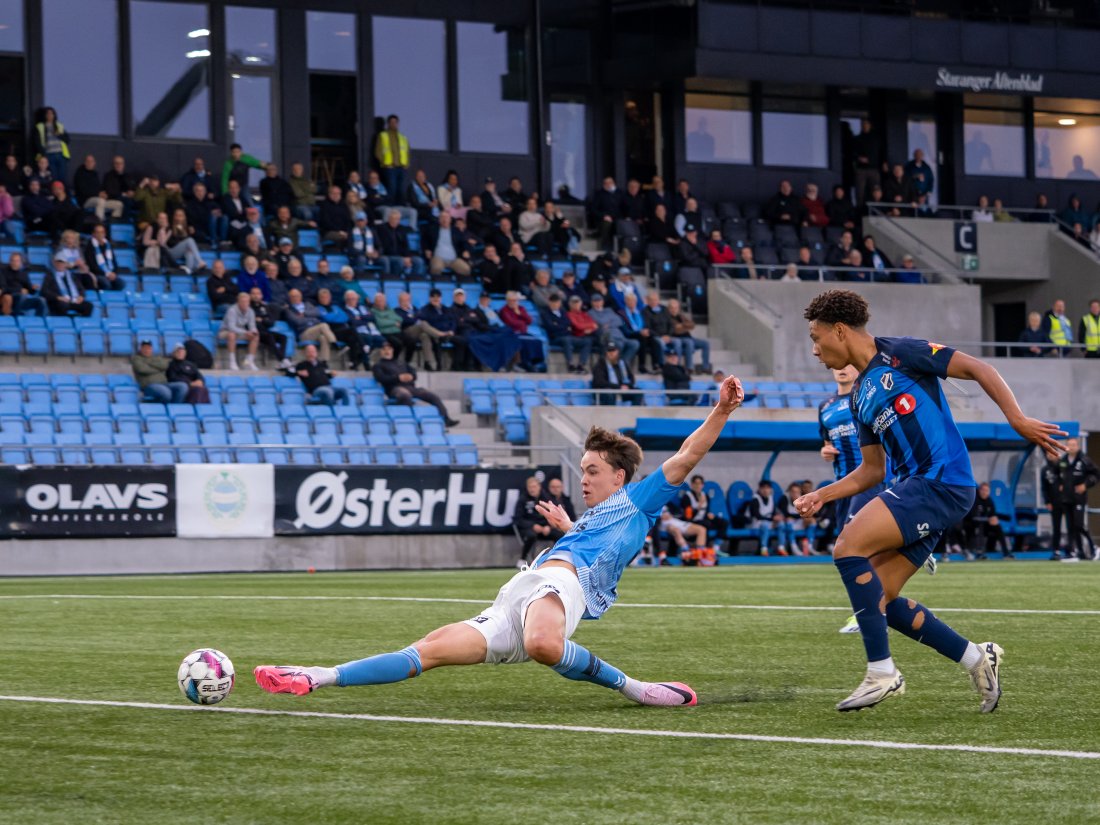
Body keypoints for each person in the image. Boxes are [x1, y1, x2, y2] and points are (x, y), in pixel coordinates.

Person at [254, 378, 745, 706]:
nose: (583, 479)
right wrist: (569, 529)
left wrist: (721, 409)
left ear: (620, 476)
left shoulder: (639, 500)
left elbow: (687, 453)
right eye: (581, 471)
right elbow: (592, 543)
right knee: (427, 650)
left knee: (543, 644)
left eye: (592, 471)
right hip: (521, 591)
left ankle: (639, 690)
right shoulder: (596, 517)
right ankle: (318, 675)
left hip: (560, 588)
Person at [794, 289, 1064, 712]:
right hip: (914, 491)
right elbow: (871, 471)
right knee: (880, 601)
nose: (814, 350)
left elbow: (978, 367)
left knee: (847, 546)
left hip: (940, 483)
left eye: (816, 337)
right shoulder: (858, 396)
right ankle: (977, 658)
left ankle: (882, 673)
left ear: (840, 331)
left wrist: (1016, 419)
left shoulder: (902, 353)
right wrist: (820, 495)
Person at [371, 340, 459, 425]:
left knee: (432, 396)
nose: (387, 351)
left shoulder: (400, 362)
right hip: (394, 388)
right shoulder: (378, 365)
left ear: (392, 350)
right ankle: (413, 421)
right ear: (380, 351)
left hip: (410, 387)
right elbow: (381, 378)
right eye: (384, 349)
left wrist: (411, 376)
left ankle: (446, 419)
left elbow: (413, 373)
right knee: (405, 395)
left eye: (389, 349)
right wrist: (398, 378)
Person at [1042, 438, 1098, 561]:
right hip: (1066, 499)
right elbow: (1056, 472)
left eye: (1073, 445)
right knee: (1070, 527)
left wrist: (1085, 485)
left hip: (1078, 498)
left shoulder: (1084, 460)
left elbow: (1096, 475)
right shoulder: (1063, 461)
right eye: (1069, 445)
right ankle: (1076, 552)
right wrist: (1061, 483)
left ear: (1078, 446)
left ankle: (1094, 548)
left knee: (1079, 524)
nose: (1071, 447)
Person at [513, 476, 556, 564]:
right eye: (530, 487)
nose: (532, 489)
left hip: (545, 528)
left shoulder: (546, 498)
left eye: (534, 487)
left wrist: (548, 526)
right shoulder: (522, 500)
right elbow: (518, 519)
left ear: (539, 487)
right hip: (529, 529)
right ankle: (523, 559)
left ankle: (558, 559)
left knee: (561, 535)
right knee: (531, 536)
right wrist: (532, 526)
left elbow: (553, 514)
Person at [963, 482, 1011, 560]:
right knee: (980, 526)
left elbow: (992, 514)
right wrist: (988, 519)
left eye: (987, 490)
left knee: (997, 526)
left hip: (985, 524)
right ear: (979, 490)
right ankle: (979, 552)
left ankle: (1006, 552)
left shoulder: (989, 501)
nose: (985, 492)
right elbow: (973, 517)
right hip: (972, 524)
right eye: (983, 490)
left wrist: (994, 519)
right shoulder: (974, 499)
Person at [680, 475, 728, 553]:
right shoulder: (687, 497)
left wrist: (709, 515)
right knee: (706, 524)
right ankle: (704, 548)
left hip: (704, 520)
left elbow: (706, 511)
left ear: (703, 485)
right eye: (695, 483)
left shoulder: (705, 496)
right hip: (692, 522)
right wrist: (698, 506)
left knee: (724, 522)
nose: (697, 486)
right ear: (692, 484)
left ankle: (716, 547)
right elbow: (688, 517)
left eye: (700, 484)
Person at [132, 339, 188, 404]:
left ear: (152, 349)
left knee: (183, 386)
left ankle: (174, 408)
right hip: (149, 386)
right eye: (145, 348)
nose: (147, 350)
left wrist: (149, 363)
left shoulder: (156, 357)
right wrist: (159, 369)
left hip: (165, 384)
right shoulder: (137, 359)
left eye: (149, 348)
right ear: (141, 348)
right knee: (166, 393)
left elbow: (165, 365)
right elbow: (143, 369)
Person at [250, 287, 292, 369]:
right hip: (254, 333)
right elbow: (251, 322)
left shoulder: (265, 307)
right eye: (253, 293)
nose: (256, 296)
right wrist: (263, 320)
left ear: (261, 295)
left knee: (283, 337)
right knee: (269, 336)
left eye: (258, 294)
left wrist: (261, 320)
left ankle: (282, 360)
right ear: (250, 295)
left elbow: (271, 322)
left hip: (265, 331)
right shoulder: (249, 307)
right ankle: (282, 359)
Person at [73, 154, 123, 222]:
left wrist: (103, 193)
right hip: (85, 201)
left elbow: (98, 188)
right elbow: (84, 191)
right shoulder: (80, 174)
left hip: (97, 198)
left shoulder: (95, 173)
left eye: (92, 161)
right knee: (100, 201)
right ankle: (99, 224)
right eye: (88, 161)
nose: (90, 163)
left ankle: (112, 224)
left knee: (118, 204)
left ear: (94, 163)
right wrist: (98, 194)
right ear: (85, 163)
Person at [219, 291, 260, 370]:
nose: (245, 304)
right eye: (243, 302)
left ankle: (249, 361)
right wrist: (246, 332)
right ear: (238, 302)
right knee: (232, 334)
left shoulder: (251, 311)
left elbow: (252, 325)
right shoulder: (232, 310)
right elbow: (231, 327)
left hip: (240, 331)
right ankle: (232, 362)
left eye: (246, 302)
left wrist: (254, 331)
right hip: (225, 331)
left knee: (255, 336)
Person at [374, 115, 410, 205]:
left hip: (401, 167)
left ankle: (400, 208)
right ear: (388, 123)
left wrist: (406, 164)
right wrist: (385, 163)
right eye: (392, 122)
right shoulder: (383, 135)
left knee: (401, 189)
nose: (393, 124)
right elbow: (378, 151)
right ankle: (391, 207)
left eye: (395, 122)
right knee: (391, 188)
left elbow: (407, 151)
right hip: (390, 167)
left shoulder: (402, 137)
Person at [592, 341, 638, 406]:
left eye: (613, 351)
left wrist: (627, 386)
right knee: (609, 393)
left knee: (638, 392)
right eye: (609, 351)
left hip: (622, 389)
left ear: (617, 351)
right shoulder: (600, 365)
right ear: (606, 352)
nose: (611, 353)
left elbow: (631, 378)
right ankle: (610, 415)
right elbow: (599, 382)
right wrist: (618, 387)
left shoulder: (623, 363)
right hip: (606, 391)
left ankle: (635, 414)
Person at [1, 253, 47, 317]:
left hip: (22, 299)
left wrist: (33, 288)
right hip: (11, 297)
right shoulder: (3, 272)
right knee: (21, 296)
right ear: (9, 261)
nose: (14, 263)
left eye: (17, 261)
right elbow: (4, 288)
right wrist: (19, 290)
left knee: (41, 300)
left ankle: (39, 322)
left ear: (21, 262)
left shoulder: (23, 274)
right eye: (12, 260)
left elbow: (30, 290)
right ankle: (17, 316)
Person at [82, 223, 125, 291]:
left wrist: (114, 273)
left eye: (102, 232)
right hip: (97, 273)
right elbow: (92, 265)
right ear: (93, 234)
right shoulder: (89, 247)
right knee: (106, 283)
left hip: (110, 273)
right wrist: (106, 274)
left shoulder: (108, 245)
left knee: (121, 283)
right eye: (97, 232)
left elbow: (114, 261)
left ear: (105, 234)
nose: (100, 234)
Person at [33, 106, 70, 184]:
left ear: (54, 115)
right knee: (53, 177)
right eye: (48, 114)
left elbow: (67, 140)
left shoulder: (59, 126)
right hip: (49, 154)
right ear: (45, 115)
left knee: (62, 177)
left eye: (52, 114)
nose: (50, 115)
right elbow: (37, 142)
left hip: (60, 154)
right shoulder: (40, 126)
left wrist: (59, 134)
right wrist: (43, 154)